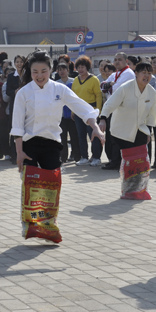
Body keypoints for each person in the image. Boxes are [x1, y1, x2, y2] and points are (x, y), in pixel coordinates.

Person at [12, 51, 105, 243]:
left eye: (44, 71)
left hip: (52, 143)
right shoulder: (24, 92)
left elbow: (81, 107)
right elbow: (17, 125)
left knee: (51, 187)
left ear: (51, 70)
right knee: (31, 185)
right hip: (29, 144)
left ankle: (49, 225)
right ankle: (29, 224)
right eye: (35, 71)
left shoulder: (59, 89)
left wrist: (95, 127)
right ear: (30, 71)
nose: (39, 75)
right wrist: (19, 152)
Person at [99, 62, 156, 199]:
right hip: (122, 130)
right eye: (144, 72)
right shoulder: (125, 88)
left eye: (149, 73)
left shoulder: (152, 92)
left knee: (142, 161)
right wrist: (102, 119)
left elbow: (152, 115)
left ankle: (140, 189)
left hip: (141, 130)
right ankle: (128, 190)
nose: (147, 76)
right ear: (136, 73)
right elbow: (109, 104)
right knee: (130, 160)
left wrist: (149, 131)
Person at [100, 52, 136, 169]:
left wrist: (109, 85)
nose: (116, 62)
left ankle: (117, 162)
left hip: (122, 110)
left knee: (117, 137)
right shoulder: (116, 74)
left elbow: (117, 90)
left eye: (119, 59)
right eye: (115, 59)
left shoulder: (128, 73)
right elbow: (102, 86)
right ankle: (113, 160)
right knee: (111, 136)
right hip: (112, 109)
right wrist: (109, 84)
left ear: (126, 61)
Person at [71, 56, 103, 167]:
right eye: (78, 67)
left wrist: (98, 111)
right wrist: (73, 111)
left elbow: (98, 96)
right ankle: (84, 157)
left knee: (93, 135)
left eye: (83, 67)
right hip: (79, 112)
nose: (80, 69)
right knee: (81, 136)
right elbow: (73, 97)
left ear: (87, 67)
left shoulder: (94, 79)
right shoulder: (75, 80)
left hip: (91, 111)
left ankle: (96, 157)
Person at [55, 63, 81, 163]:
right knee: (62, 137)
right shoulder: (56, 84)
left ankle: (77, 157)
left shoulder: (74, 82)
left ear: (68, 71)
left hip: (72, 114)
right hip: (60, 114)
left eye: (64, 69)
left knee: (74, 136)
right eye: (59, 70)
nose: (62, 71)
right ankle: (63, 157)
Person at [6, 55, 25, 162]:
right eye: (17, 62)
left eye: (21, 62)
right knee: (15, 130)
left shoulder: (28, 75)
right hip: (15, 106)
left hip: (27, 106)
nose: (19, 64)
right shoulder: (11, 76)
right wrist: (15, 92)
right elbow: (8, 91)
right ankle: (14, 155)